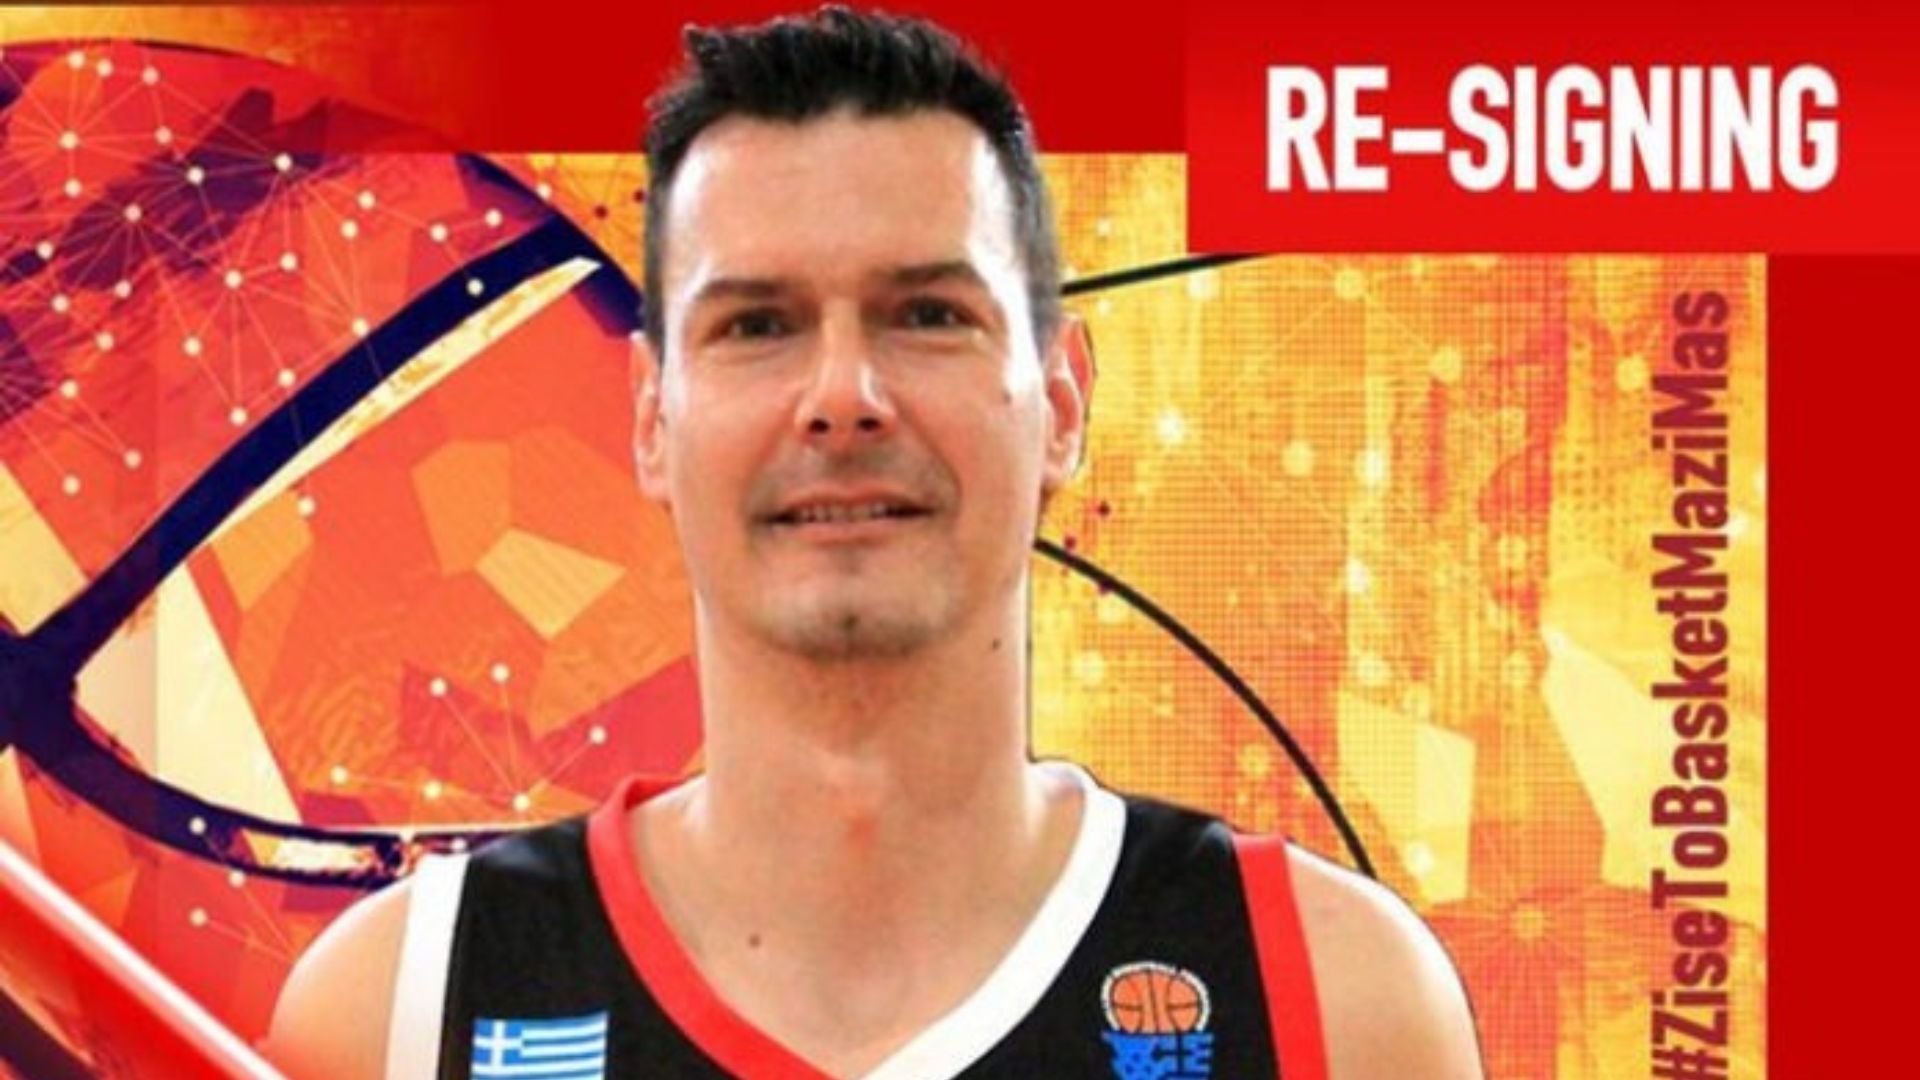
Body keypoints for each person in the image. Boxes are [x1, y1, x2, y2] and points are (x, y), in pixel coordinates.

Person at [265, 7, 1484, 1078]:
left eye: (929, 315)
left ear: (1061, 403)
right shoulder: (398, 1015)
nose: (843, 396)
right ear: (650, 419)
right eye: (758, 325)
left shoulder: (1333, 1000)